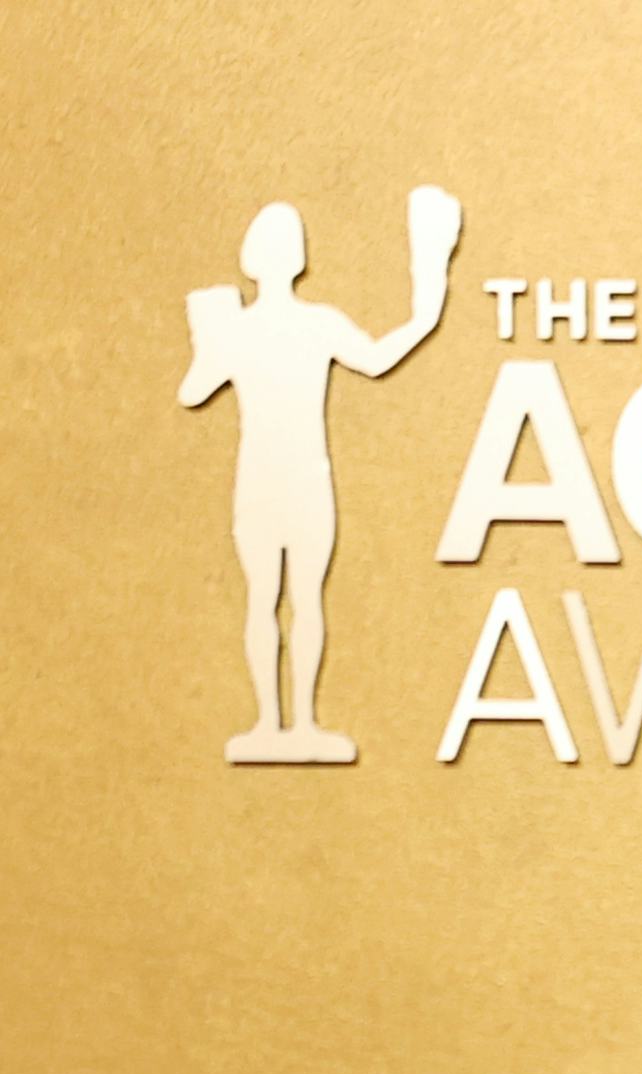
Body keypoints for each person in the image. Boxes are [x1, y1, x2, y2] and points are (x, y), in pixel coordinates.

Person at [179, 189, 459, 763]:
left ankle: (283, 723)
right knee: (295, 599)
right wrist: (428, 300)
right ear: (296, 259)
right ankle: (288, 723)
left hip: (278, 481)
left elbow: (194, 388)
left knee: (273, 599)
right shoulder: (305, 324)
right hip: (294, 482)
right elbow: (378, 357)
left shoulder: (248, 328)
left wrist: (207, 334)